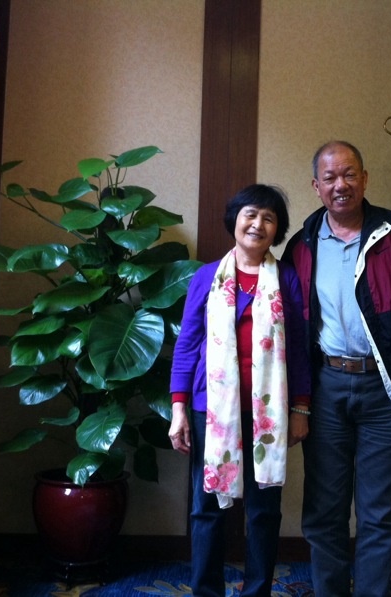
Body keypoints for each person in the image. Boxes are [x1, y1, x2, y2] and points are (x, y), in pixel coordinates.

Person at [282, 141, 391, 597]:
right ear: (316, 186)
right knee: (325, 509)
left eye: (349, 174)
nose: (341, 185)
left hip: (385, 390)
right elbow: (293, 322)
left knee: (378, 512)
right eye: (330, 177)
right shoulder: (302, 244)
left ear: (365, 178)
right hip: (326, 389)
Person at [168, 183, 311, 597]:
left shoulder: (286, 278)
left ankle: (257, 592)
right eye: (250, 214)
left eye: (269, 218)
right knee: (207, 507)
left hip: (269, 413)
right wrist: (178, 408)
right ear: (235, 220)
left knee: (264, 511)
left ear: (277, 229)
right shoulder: (206, 277)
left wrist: (301, 408)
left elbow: (298, 348)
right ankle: (206, 591)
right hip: (210, 410)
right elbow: (187, 345)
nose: (258, 224)